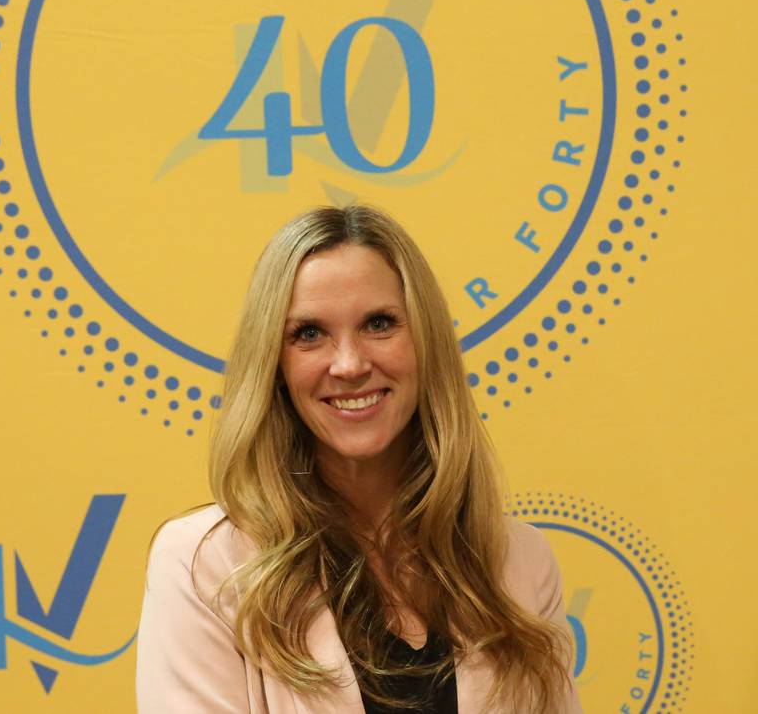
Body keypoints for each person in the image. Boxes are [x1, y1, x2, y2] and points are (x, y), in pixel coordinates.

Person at [136, 204, 582, 713]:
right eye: (308, 334)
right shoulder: (203, 567)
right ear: (275, 366)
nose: (349, 364)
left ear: (425, 343)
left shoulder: (519, 562)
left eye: (379, 323)